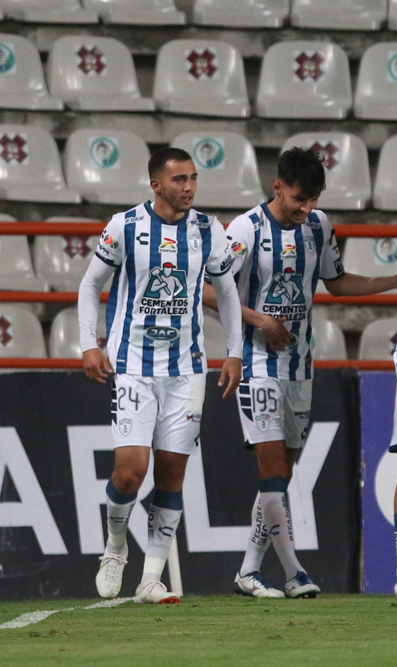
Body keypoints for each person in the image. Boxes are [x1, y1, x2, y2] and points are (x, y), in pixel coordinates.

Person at [203, 148, 397, 599]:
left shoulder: (318, 226)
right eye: (299, 198)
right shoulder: (246, 229)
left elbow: (336, 282)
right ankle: (295, 572)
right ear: (277, 187)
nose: (307, 208)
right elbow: (209, 290)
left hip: (300, 366)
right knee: (274, 471)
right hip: (256, 363)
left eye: (314, 199)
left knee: (279, 479)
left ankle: (248, 571)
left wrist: (390, 282)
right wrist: (261, 320)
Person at [79, 147, 244, 604]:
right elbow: (91, 284)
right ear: (156, 184)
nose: (189, 187)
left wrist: (234, 352)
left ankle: (151, 578)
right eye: (178, 180)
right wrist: (89, 343)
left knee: (172, 475)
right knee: (131, 471)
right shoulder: (125, 226)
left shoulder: (209, 230)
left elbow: (227, 293)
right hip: (133, 365)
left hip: (186, 369)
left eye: (193, 178)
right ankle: (115, 547)